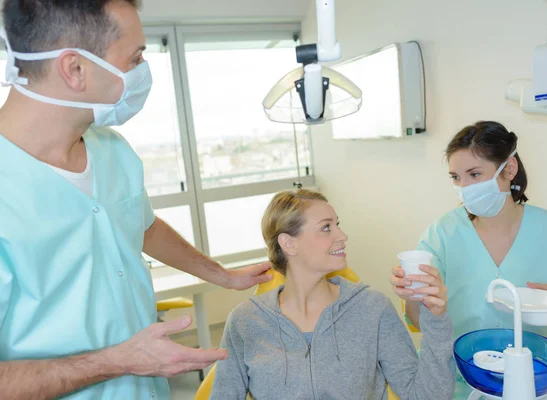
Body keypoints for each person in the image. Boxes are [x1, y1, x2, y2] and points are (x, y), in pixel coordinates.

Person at [0, 1, 271, 399]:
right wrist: (120, 361)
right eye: (136, 57)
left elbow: (142, 226)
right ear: (75, 69)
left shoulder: (112, 151)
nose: (142, 71)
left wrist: (222, 276)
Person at [389, 120, 547, 398]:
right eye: (456, 177)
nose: (464, 187)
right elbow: (419, 322)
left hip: (529, 382)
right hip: (456, 382)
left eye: (475, 174)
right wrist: (412, 294)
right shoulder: (443, 233)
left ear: (509, 169)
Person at [210, 189, 455, 400]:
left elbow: (426, 395)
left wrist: (436, 319)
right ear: (289, 244)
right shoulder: (245, 321)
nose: (342, 236)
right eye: (326, 228)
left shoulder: (373, 308)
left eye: (338, 224)